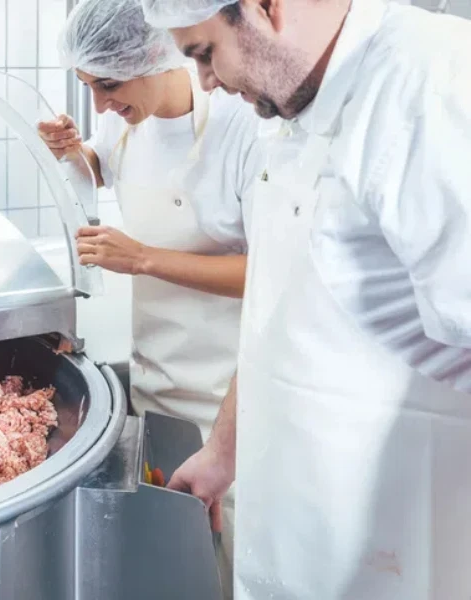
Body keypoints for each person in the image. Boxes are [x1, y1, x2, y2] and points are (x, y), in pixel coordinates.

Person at [141, 0, 471, 597]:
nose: (207, 83)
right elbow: (283, 306)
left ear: (266, 8)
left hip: (396, 555)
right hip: (298, 534)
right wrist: (221, 453)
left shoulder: (431, 87)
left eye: (205, 54)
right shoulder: (296, 104)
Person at [38, 0, 265, 596]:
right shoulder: (122, 121)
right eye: (88, 87)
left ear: (156, 53)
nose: (100, 106)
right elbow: (104, 163)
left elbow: (273, 273)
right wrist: (74, 153)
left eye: (107, 85)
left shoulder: (245, 129)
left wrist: (140, 258)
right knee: (180, 560)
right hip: (155, 382)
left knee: (232, 558)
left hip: (232, 404)